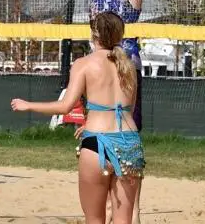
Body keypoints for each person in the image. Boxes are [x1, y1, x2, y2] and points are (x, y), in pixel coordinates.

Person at [54, 0, 145, 223]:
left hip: (124, 64)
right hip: (95, 64)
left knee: (128, 143)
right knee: (95, 141)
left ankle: (132, 211)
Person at [11, 12, 144, 224]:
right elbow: (129, 108)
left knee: (94, 219)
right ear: (120, 35)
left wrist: (28, 105)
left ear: (95, 35)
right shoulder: (129, 66)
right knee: (123, 220)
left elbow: (65, 107)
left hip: (96, 142)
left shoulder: (84, 64)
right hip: (129, 142)